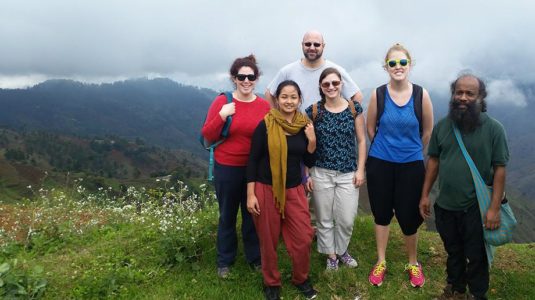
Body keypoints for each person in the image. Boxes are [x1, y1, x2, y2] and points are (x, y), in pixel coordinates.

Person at [419, 74, 509, 300]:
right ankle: (455, 288)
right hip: (446, 205)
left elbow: (500, 169)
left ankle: (477, 294)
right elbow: (434, 161)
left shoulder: (494, 129)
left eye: (470, 93)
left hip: (475, 207)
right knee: (454, 251)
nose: (463, 97)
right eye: (459, 92)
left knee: (476, 254)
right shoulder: (443, 127)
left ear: (481, 97)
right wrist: (425, 195)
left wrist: (494, 208)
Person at [366, 43, 433, 287]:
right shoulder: (378, 95)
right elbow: (371, 128)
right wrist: (388, 149)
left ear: (410, 65)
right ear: (386, 67)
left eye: (402, 62)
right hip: (380, 163)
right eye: (392, 63)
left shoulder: (421, 95)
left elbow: (427, 132)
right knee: (381, 213)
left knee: (409, 215)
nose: (398, 67)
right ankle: (381, 261)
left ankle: (413, 263)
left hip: (411, 165)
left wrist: (408, 150)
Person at [246, 80, 317, 300]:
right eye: (284, 97)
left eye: (293, 97)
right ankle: (271, 282)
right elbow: (253, 160)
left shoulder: (304, 125)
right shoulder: (266, 124)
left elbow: (308, 159)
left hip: (294, 189)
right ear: (276, 99)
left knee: (304, 237)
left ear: (299, 99)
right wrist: (251, 194)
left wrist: (312, 140)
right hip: (266, 188)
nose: (288, 101)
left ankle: (301, 278)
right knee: (267, 239)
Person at [201, 54, 270, 278]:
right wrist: (222, 116)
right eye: (242, 77)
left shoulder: (263, 106)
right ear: (234, 78)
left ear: (257, 78)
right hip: (227, 167)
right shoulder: (223, 102)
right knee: (227, 215)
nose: (246, 81)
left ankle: (254, 258)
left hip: (254, 171)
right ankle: (225, 261)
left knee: (252, 215)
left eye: (251, 77)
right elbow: (207, 136)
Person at [304, 67, 367, 270]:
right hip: (321, 171)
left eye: (335, 83)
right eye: (326, 84)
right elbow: (307, 146)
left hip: (348, 171)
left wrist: (360, 170)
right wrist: (307, 174)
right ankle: (331, 255)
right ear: (321, 87)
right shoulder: (313, 111)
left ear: (341, 84)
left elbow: (361, 141)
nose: (331, 87)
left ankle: (341, 250)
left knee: (346, 218)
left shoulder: (354, 108)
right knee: (323, 218)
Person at [265, 30, 363, 109]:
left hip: (326, 131)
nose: (312, 48)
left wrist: (346, 118)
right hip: (295, 131)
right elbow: (269, 94)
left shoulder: (336, 71)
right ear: (302, 45)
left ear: (323, 46)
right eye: (308, 44)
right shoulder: (287, 71)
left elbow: (357, 95)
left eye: (316, 44)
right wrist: (277, 118)